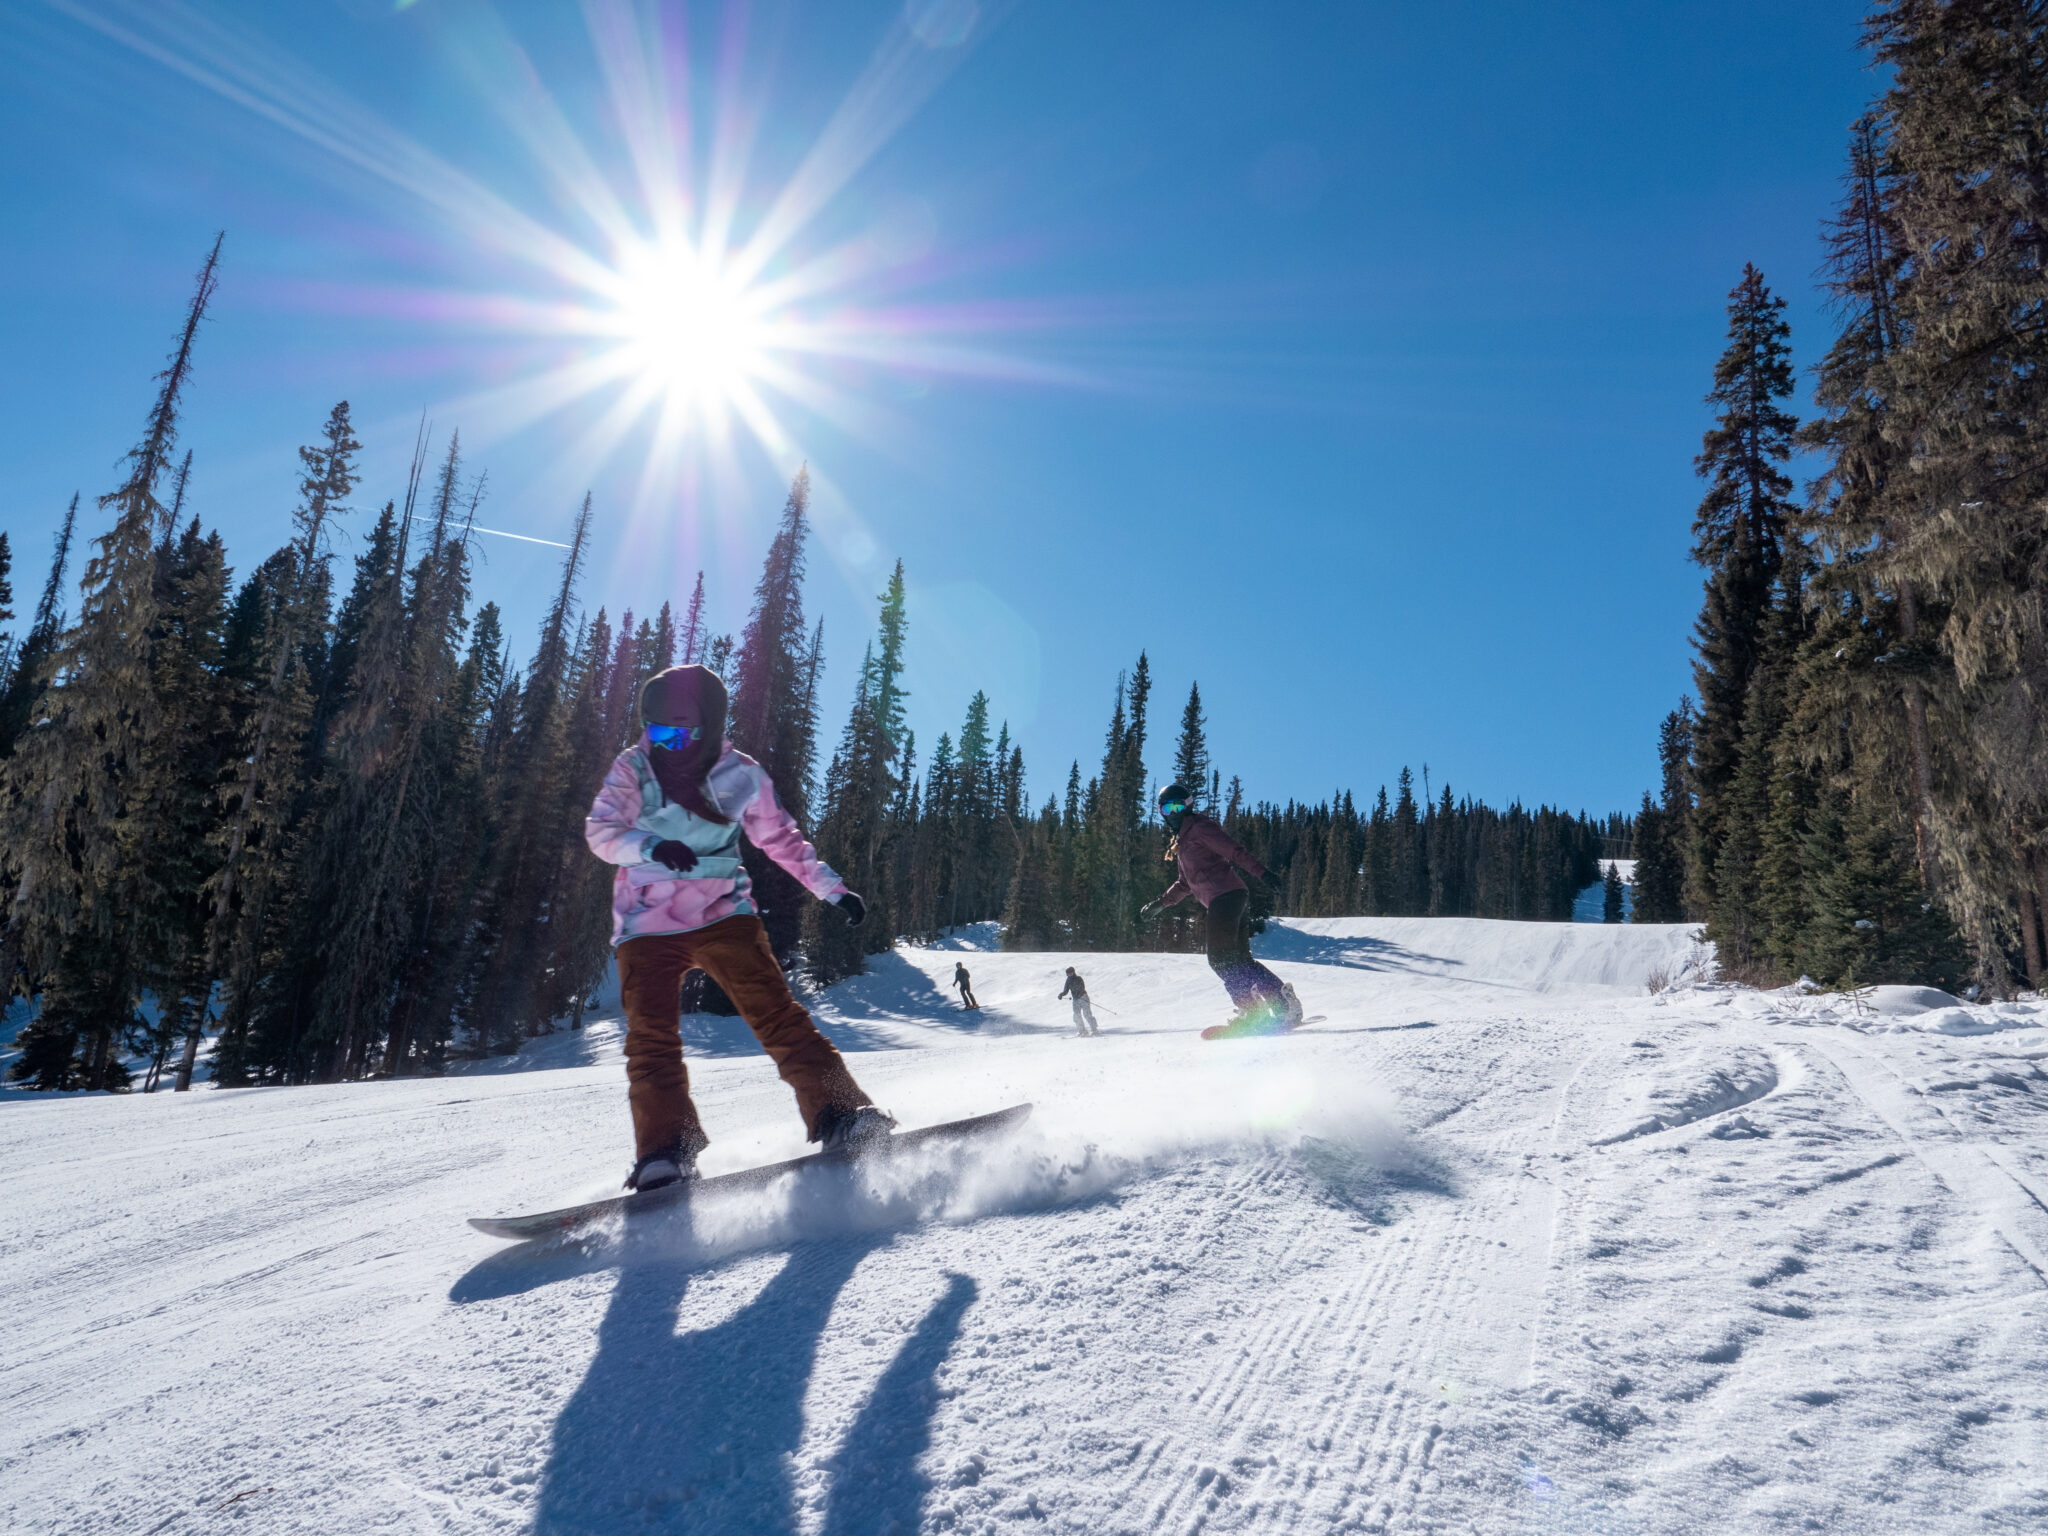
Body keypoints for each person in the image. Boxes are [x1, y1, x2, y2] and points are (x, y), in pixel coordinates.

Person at [586, 664, 893, 1191]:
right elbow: (602, 832)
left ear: (712, 721)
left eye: (683, 730)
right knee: (650, 1040)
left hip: (724, 915)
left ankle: (843, 1114)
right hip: (645, 924)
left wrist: (832, 889)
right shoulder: (633, 768)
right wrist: (651, 845)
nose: (671, 742)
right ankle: (665, 1152)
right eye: (659, 730)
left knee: (778, 1017)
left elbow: (782, 840)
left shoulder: (739, 774)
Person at [1137, 782, 1302, 1033]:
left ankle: (1254, 1011)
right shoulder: (1183, 842)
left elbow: (1234, 851)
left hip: (1226, 896)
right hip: (1228, 898)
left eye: (1176, 806)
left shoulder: (1201, 828)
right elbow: (1184, 883)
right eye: (1165, 809)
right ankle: (1282, 1002)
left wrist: (1263, 873)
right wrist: (1161, 904)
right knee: (1239, 960)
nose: (1172, 813)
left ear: (1188, 805)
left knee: (1220, 960)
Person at [1058, 967, 1099, 1036]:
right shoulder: (1068, 980)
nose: (1069, 975)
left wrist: (1078, 993)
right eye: (1068, 974)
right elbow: (1066, 990)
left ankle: (1094, 1030)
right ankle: (1082, 1031)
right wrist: (1061, 994)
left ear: (1073, 972)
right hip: (1075, 1000)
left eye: (1070, 973)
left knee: (1087, 1014)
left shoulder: (1078, 978)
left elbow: (1082, 987)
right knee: (1076, 1015)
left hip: (1083, 997)